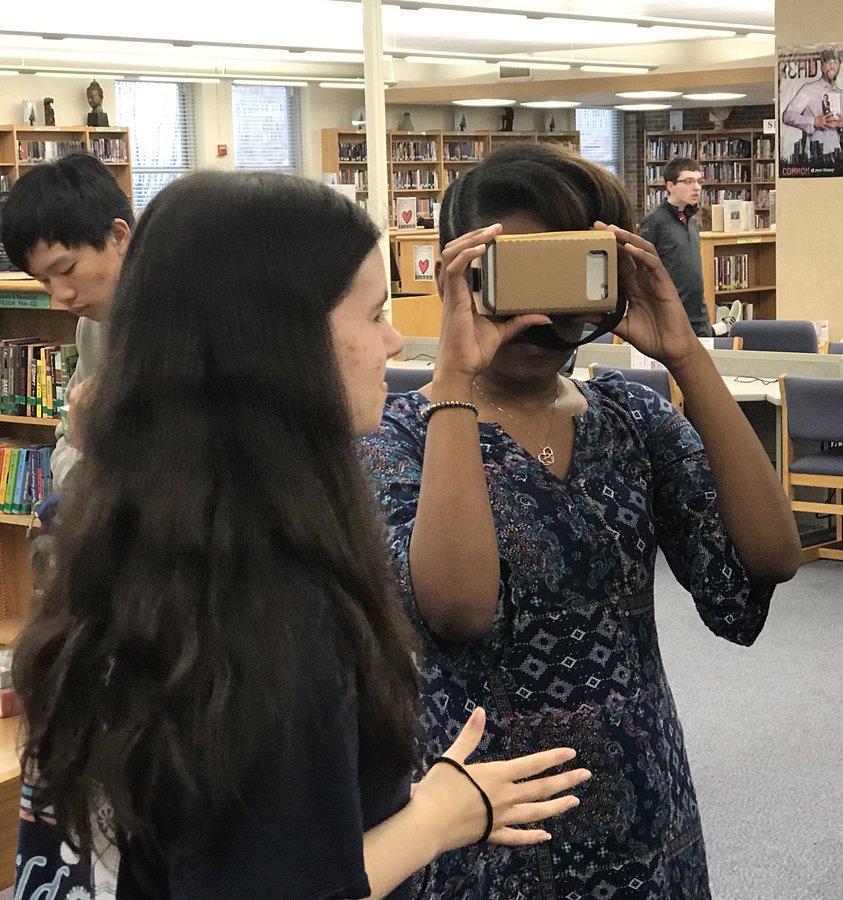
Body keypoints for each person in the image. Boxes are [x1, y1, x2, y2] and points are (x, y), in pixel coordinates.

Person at [12, 172, 589, 899]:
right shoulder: (271, 607)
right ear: (278, 343)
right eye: (373, 315)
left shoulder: (121, 539)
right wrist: (443, 814)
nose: (393, 341)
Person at [363, 142, 803, 898]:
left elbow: (771, 555)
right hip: (484, 824)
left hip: (645, 805)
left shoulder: (629, 416)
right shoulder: (396, 437)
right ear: (459, 275)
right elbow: (459, 610)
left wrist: (685, 354)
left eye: (570, 270)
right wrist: (455, 377)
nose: (542, 311)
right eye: (517, 273)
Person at [0, 152, 130, 490]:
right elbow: (66, 440)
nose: (61, 295)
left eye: (67, 269)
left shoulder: (188, 315)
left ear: (118, 237)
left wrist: (88, 452)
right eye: (44, 280)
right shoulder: (93, 324)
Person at [637, 157, 713, 337]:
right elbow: (639, 269)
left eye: (699, 181)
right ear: (670, 186)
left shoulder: (691, 220)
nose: (696, 187)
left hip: (699, 315)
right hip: (669, 317)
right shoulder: (654, 221)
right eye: (688, 181)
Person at [780, 48, 843, 166]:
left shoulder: (842, 96)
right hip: (814, 158)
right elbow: (787, 116)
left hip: (837, 158)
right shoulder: (809, 90)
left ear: (839, 67)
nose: (832, 66)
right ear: (822, 66)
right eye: (828, 62)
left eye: (835, 62)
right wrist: (814, 121)